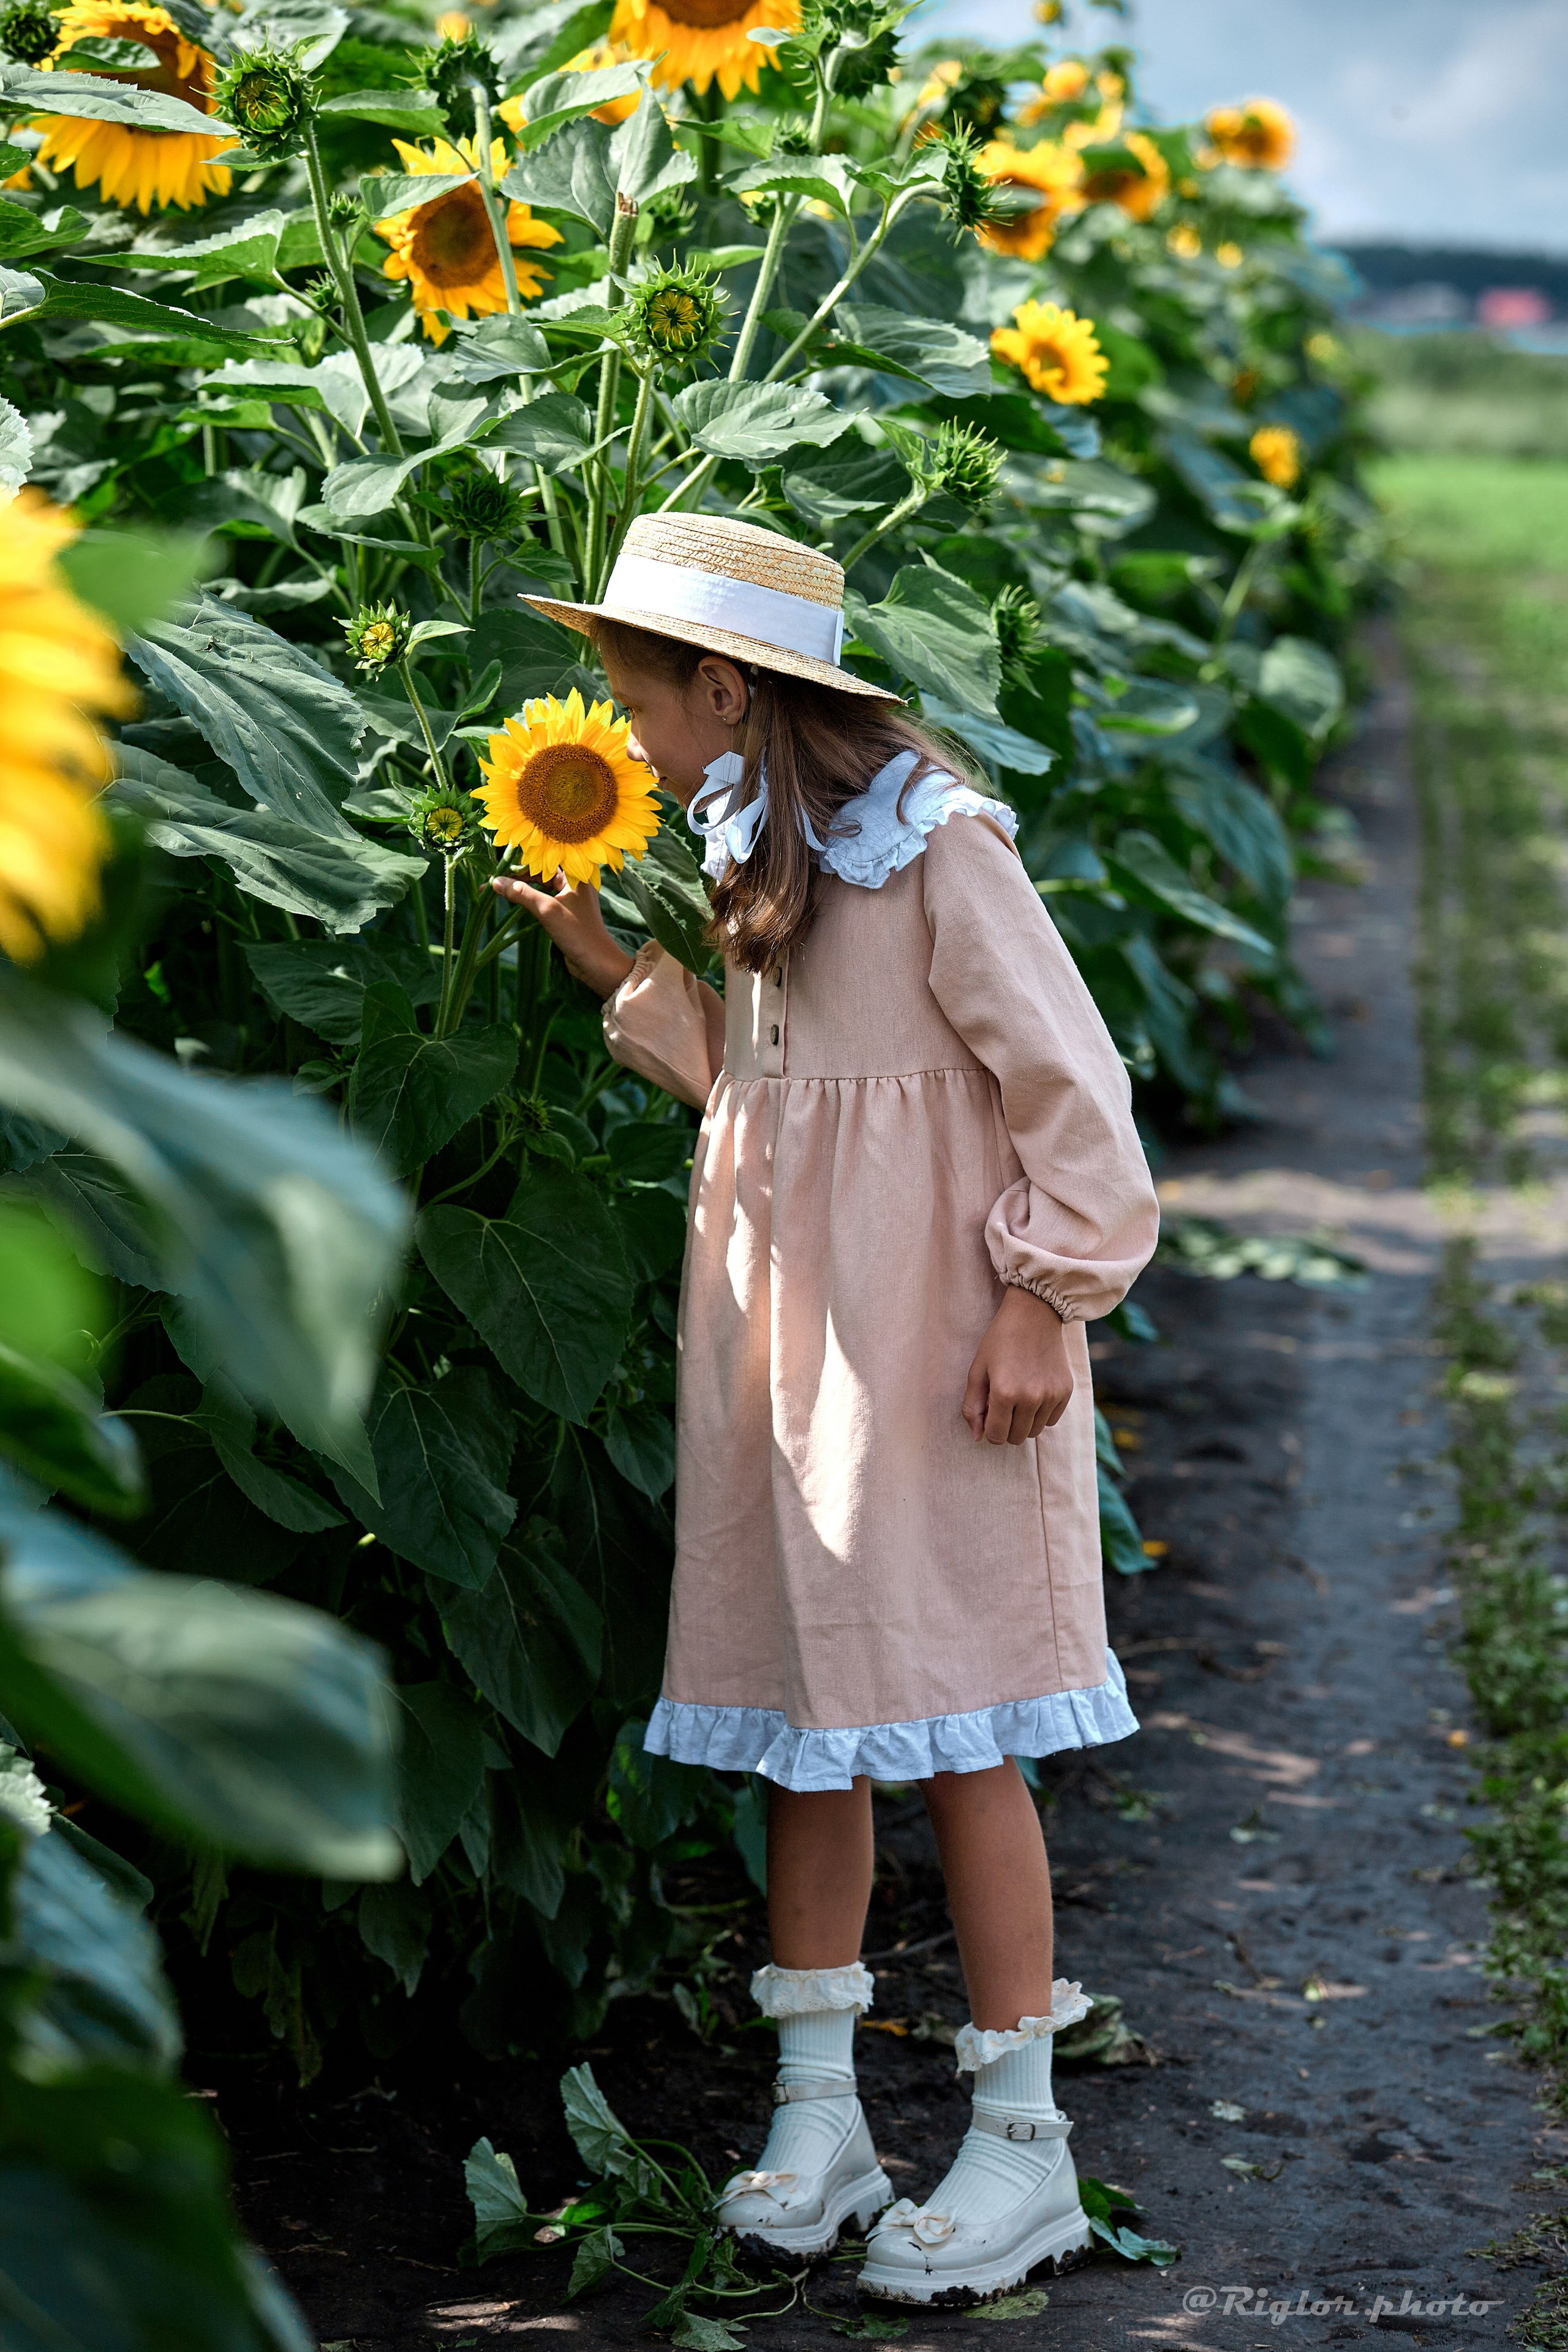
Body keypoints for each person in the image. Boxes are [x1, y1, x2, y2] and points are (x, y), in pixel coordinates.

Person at [494, 513, 1161, 2306]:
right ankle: (820, 2119)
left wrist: (1044, 1294)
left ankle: (1025, 2143)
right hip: (794, 1366)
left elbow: (1076, 1093)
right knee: (812, 1717)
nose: (624, 738)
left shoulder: (937, 852)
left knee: (955, 1726)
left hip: (944, 1360)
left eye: (640, 698)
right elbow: (766, 1104)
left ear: (727, 687)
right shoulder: (758, 848)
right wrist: (619, 974)